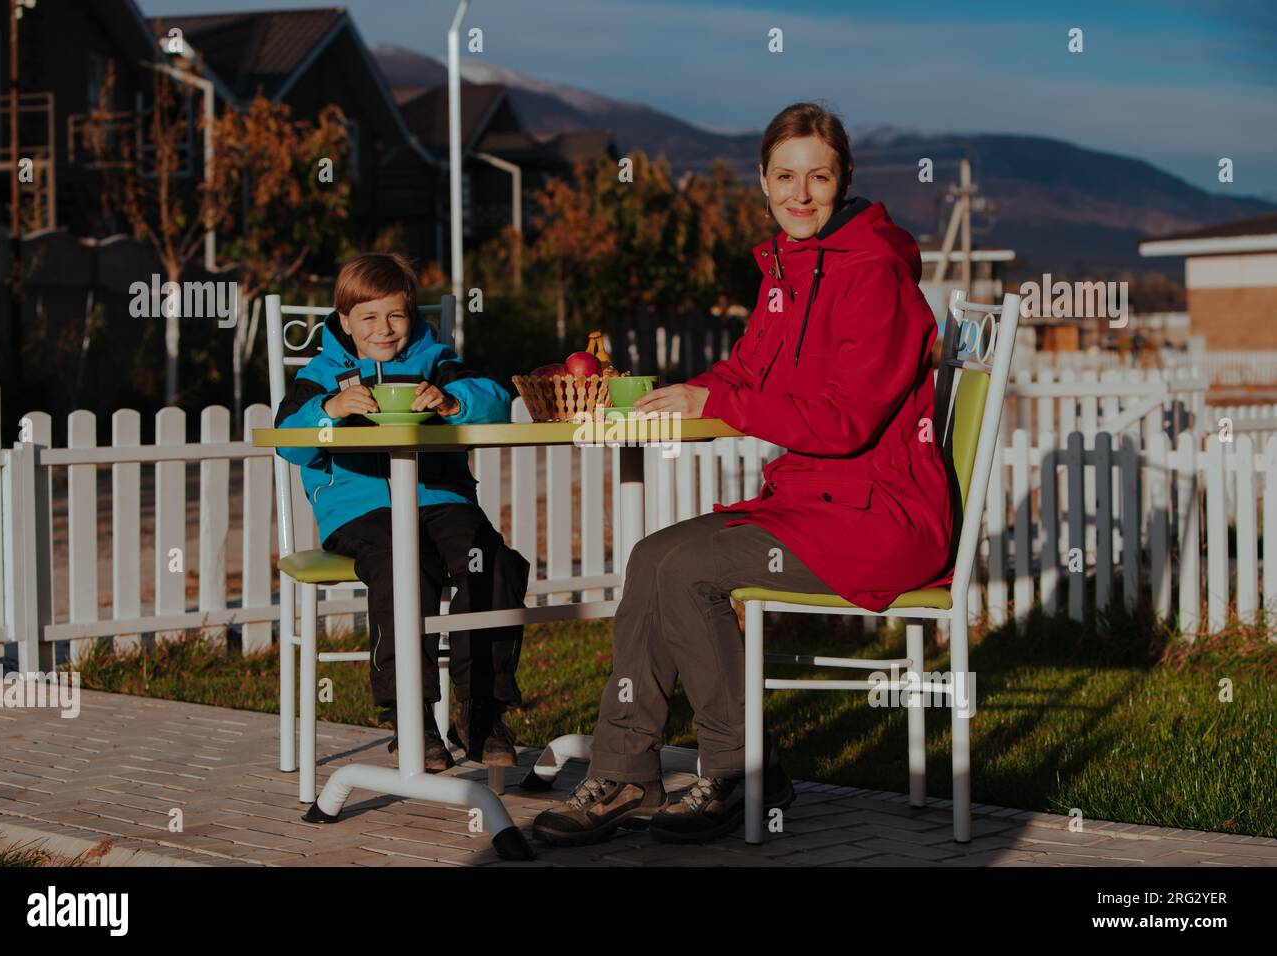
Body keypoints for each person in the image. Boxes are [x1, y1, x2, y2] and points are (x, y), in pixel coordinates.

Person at [533, 102, 956, 846]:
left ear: (843, 179)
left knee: (689, 568)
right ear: (761, 180)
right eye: (785, 177)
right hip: (816, 501)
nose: (800, 194)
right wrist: (673, 396)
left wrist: (720, 400)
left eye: (818, 177)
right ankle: (627, 771)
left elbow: (846, 419)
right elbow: (744, 373)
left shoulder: (874, 275)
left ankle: (737, 774)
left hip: (881, 516)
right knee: (650, 555)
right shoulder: (786, 270)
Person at [274, 252, 531, 771]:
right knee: (402, 563)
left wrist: (453, 401)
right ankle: (410, 717)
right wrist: (329, 410)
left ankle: (481, 710)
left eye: (396, 315)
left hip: (441, 498)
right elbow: (289, 442)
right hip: (360, 509)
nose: (384, 329)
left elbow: (496, 400)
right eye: (368, 317)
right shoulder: (322, 374)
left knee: (493, 560)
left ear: (411, 315)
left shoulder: (436, 359)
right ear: (344, 321)